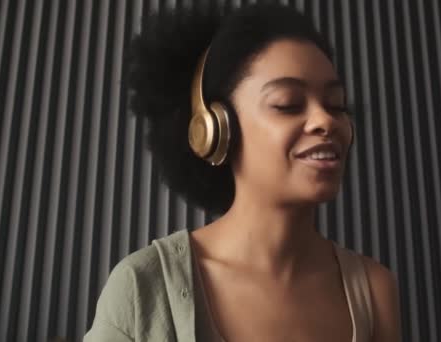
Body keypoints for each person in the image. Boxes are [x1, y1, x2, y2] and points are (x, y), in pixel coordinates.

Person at [84, 3, 400, 341]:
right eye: (288, 104)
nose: (326, 121)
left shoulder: (374, 290)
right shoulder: (142, 285)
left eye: (336, 104)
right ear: (216, 129)